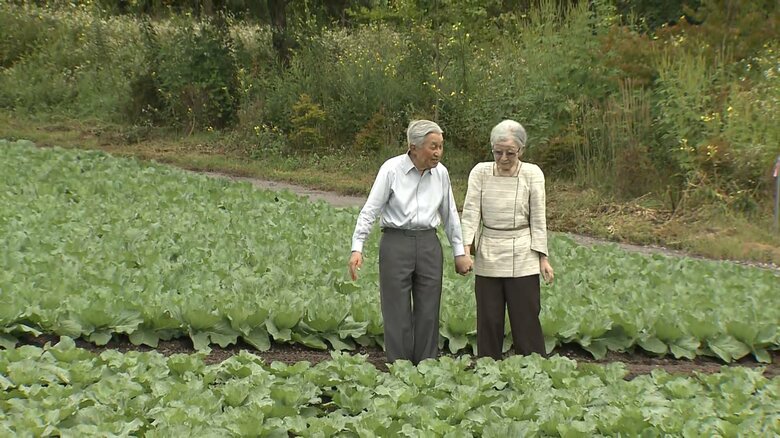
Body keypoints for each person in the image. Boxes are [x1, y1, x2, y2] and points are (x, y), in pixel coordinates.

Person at [348, 119, 473, 364]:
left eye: (440, 146)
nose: (437, 152)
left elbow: (450, 214)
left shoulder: (442, 174)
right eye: (432, 146)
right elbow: (371, 209)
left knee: (429, 309)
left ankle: (426, 365)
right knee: (396, 310)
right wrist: (357, 247)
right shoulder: (391, 170)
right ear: (413, 147)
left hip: (428, 243)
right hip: (396, 243)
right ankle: (400, 365)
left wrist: (460, 252)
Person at [460, 119, 554, 360]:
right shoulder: (480, 172)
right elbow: (471, 213)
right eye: (498, 152)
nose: (503, 158)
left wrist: (543, 258)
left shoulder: (532, 174)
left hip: (523, 250)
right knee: (489, 316)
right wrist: (465, 250)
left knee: (526, 314)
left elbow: (538, 218)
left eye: (509, 153)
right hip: (489, 249)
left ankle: (533, 366)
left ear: (520, 151)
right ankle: (487, 366)